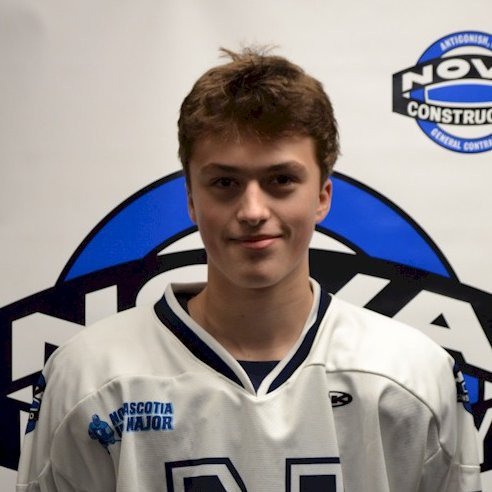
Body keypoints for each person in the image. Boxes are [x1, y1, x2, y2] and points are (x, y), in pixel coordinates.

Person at [17, 47, 482, 492]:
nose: (253, 210)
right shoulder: (90, 376)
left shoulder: (410, 374)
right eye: (225, 182)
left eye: (281, 180)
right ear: (192, 200)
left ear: (322, 196)